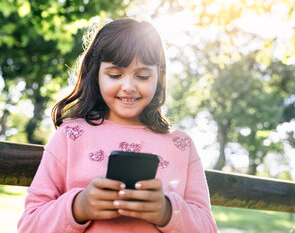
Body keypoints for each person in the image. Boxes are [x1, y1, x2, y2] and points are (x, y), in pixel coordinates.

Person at [17, 18, 217, 233]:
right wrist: (79, 207)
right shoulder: (71, 136)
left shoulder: (181, 145)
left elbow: (207, 226)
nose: (128, 86)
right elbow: (30, 224)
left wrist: (167, 212)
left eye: (142, 76)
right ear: (96, 75)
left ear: (159, 77)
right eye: (115, 75)